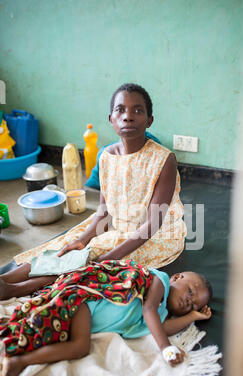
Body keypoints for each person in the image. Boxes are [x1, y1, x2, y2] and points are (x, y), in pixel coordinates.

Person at [8, 83, 187, 286]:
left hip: (157, 236)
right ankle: (5, 280)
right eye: (120, 110)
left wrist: (105, 259)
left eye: (138, 110)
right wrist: (83, 239)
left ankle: (16, 289)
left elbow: (152, 225)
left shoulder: (163, 160)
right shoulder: (106, 157)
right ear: (111, 119)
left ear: (149, 121)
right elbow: (104, 212)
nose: (127, 116)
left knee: (89, 258)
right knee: (67, 244)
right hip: (115, 224)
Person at [0, 259, 212, 376]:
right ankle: (21, 362)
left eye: (193, 304)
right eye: (190, 291)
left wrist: (193, 317)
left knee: (44, 328)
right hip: (85, 300)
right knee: (80, 347)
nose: (189, 301)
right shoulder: (160, 281)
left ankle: (19, 357)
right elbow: (149, 311)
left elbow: (161, 328)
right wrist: (165, 348)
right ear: (176, 277)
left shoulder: (160, 314)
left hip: (83, 313)